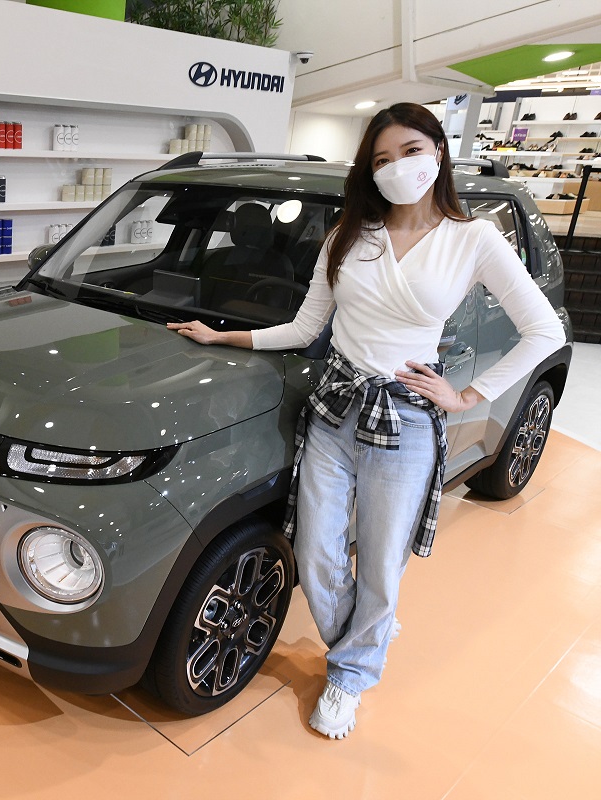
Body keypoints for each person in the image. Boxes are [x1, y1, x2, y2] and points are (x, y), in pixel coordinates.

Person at [167, 103, 565, 739]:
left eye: (410, 151)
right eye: (381, 159)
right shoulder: (349, 235)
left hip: (406, 420)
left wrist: (467, 396)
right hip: (336, 409)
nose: (396, 167)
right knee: (313, 549)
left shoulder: (474, 239)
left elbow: (543, 329)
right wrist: (223, 336)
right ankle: (365, 633)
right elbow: (305, 327)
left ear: (437, 152)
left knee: (381, 562)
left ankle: (350, 674)